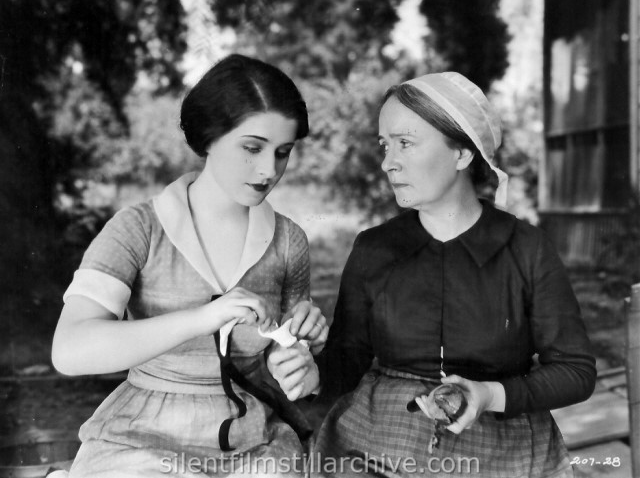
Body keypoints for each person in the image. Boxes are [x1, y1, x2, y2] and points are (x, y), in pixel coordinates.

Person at [51, 54, 328, 478]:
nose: (269, 170)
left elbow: (285, 359)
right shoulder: (139, 227)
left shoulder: (288, 240)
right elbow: (69, 351)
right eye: (252, 148)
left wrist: (301, 365)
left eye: (283, 152)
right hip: (144, 438)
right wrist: (201, 318)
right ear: (209, 137)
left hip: (254, 444)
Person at [311, 72, 596, 478]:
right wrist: (311, 373)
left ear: (462, 155)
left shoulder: (526, 248)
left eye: (405, 143)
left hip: (502, 451)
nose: (388, 162)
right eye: (385, 145)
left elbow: (575, 371)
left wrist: (488, 395)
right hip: (378, 445)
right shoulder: (374, 249)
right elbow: (347, 359)